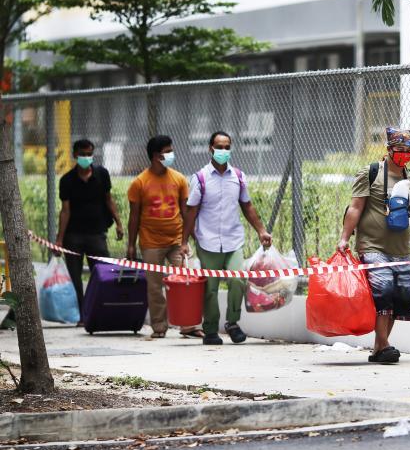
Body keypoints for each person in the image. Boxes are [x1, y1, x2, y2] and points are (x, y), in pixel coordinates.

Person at [338, 127, 410, 364]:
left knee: (395, 300)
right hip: (372, 246)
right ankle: (384, 344)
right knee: (382, 295)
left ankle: (378, 349)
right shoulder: (371, 173)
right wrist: (344, 237)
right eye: (399, 150)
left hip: (401, 250)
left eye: (408, 150)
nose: (403, 154)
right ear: (389, 150)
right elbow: (355, 207)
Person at [180, 131, 272, 346]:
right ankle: (210, 330)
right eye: (219, 147)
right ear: (210, 148)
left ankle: (232, 322)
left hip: (233, 241)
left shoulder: (238, 177)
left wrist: (261, 230)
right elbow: (191, 211)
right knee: (210, 288)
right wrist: (184, 242)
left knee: (238, 279)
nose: (223, 151)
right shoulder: (200, 178)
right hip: (207, 242)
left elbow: (247, 205)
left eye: (226, 147)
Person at [127, 135, 201, 339]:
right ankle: (159, 327)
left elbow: (186, 212)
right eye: (167, 151)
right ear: (155, 155)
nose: (171, 154)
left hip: (177, 241)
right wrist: (131, 245)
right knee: (155, 287)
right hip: (151, 243)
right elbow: (134, 217)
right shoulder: (139, 183)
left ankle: (189, 325)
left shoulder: (178, 179)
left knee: (187, 281)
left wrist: (191, 238)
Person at [55, 139, 124, 313]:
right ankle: (82, 313)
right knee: (75, 277)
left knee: (102, 273)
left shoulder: (102, 175)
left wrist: (118, 223)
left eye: (89, 154)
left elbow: (109, 200)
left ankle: (102, 310)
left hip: (97, 234)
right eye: (82, 155)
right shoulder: (67, 180)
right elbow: (65, 211)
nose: (86, 158)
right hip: (73, 236)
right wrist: (59, 239)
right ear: (75, 155)